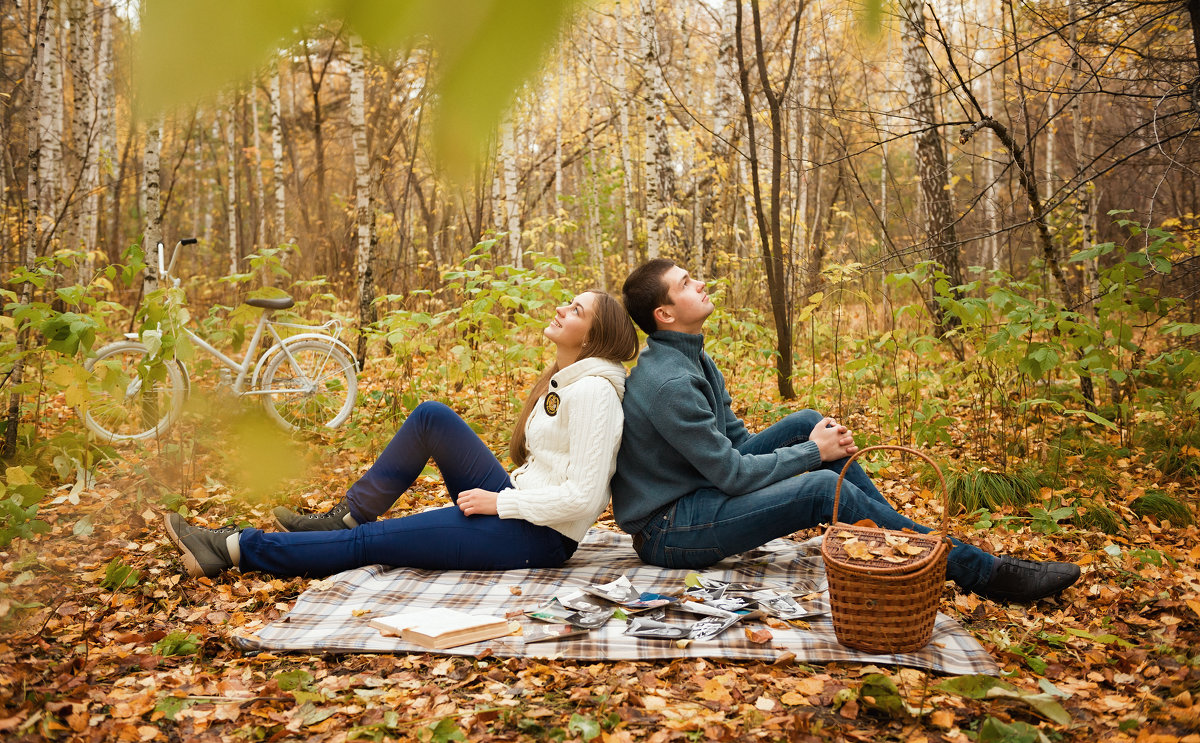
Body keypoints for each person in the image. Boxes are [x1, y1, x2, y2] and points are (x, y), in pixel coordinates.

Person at [610, 258, 1080, 603]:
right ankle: (978, 571)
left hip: (700, 493)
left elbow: (734, 446)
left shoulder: (694, 357)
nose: (701, 283)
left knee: (807, 422)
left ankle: (909, 548)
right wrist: (813, 455)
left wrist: (812, 442)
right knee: (820, 487)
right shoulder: (670, 381)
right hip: (669, 529)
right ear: (665, 315)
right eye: (686, 284)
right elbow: (732, 474)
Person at [163, 290, 640, 579]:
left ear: (592, 335)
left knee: (373, 544)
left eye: (575, 309)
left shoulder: (595, 393)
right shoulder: (567, 382)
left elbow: (584, 498)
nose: (560, 308)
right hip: (520, 506)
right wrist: (506, 498)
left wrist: (501, 505)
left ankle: (233, 549)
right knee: (432, 416)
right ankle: (346, 516)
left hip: (538, 538)